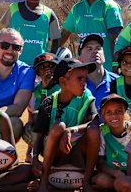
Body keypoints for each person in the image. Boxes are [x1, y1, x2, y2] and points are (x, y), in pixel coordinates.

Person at [31, 58, 100, 192]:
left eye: (85, 79)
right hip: (55, 155)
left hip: (77, 154)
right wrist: (34, 158)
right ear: (63, 81)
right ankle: (44, 180)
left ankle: (86, 180)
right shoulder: (50, 102)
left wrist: (71, 130)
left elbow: (94, 123)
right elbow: (39, 135)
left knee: (93, 130)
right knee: (59, 126)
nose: (84, 83)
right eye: (79, 79)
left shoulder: (86, 98)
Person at [60, 0, 124, 71]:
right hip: (83, 67)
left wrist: (115, 64)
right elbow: (64, 34)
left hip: (106, 68)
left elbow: (114, 40)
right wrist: (51, 55)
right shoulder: (77, 8)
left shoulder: (109, 6)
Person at [1, 0, 61, 66]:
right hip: (13, 65)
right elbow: (1, 32)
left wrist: (50, 60)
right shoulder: (13, 9)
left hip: (38, 67)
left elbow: (56, 40)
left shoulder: (49, 14)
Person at [23, 52, 60, 163]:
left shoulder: (61, 85)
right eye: (43, 67)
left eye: (51, 66)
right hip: (44, 124)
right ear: (37, 72)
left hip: (59, 123)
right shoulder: (38, 89)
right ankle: (33, 155)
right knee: (35, 118)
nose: (47, 70)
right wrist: (44, 87)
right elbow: (40, 108)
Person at [93, 94, 131, 191]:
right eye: (108, 112)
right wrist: (116, 174)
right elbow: (100, 163)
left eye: (118, 112)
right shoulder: (102, 131)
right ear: (103, 115)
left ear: (125, 113)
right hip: (113, 173)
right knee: (100, 180)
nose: (114, 116)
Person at [79, 34, 120, 113]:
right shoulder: (76, 84)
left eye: (98, 48)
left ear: (104, 55)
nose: (95, 51)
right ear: (80, 58)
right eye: (89, 48)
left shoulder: (118, 81)